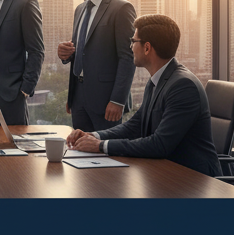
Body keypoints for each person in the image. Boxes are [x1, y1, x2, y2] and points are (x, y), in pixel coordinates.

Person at [66, 13, 220, 177]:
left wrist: (101, 146)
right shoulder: (157, 80)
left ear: (147, 48)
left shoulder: (183, 86)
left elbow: (160, 144)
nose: (130, 47)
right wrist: (93, 136)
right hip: (165, 172)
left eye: (133, 41)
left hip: (194, 179)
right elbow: (135, 126)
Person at [57, 0, 136, 132]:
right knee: (79, 148)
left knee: (105, 149)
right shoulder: (80, 9)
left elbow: (128, 57)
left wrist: (117, 101)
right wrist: (66, 53)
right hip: (78, 99)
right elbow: (84, 50)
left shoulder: (121, 8)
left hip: (107, 102)